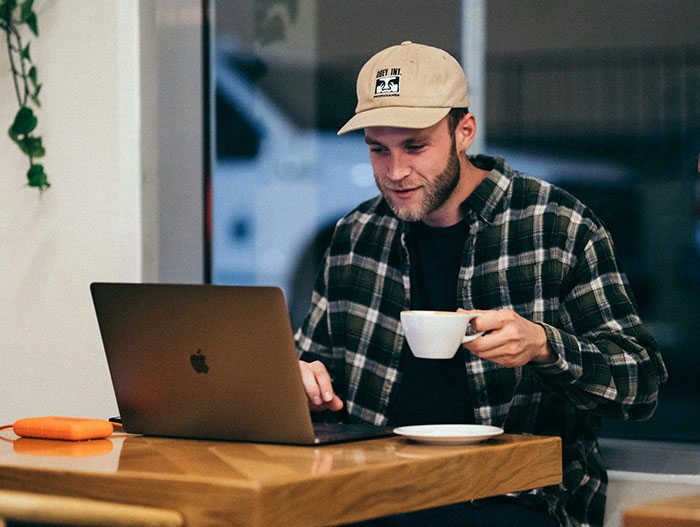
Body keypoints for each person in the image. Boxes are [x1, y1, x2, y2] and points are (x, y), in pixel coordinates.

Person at [295, 41, 667, 527]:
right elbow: (310, 365)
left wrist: (544, 346)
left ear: (463, 132)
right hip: (376, 489)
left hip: (514, 498)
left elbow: (641, 385)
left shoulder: (556, 226)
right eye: (377, 149)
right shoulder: (356, 235)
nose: (395, 172)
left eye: (415, 146)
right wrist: (301, 380)